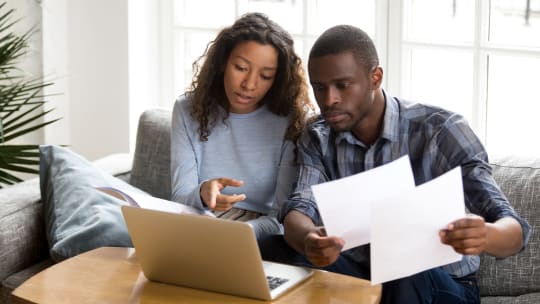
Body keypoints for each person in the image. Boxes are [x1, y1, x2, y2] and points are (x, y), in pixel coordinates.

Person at [277, 25, 531, 303]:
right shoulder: (318, 135)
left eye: (342, 85)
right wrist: (310, 239)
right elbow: (299, 207)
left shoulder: (442, 131)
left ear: (375, 78)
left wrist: (486, 235)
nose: (329, 100)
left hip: (441, 284)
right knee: (274, 248)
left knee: (403, 267)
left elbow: (514, 230)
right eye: (319, 88)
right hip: (360, 275)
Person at [170, 12, 312, 240]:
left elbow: (283, 218)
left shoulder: (293, 120)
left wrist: (237, 234)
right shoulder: (188, 109)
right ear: (223, 62)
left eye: (265, 76)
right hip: (199, 223)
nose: (249, 84)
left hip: (261, 234)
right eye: (241, 67)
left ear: (278, 79)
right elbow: (179, 198)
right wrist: (203, 193)